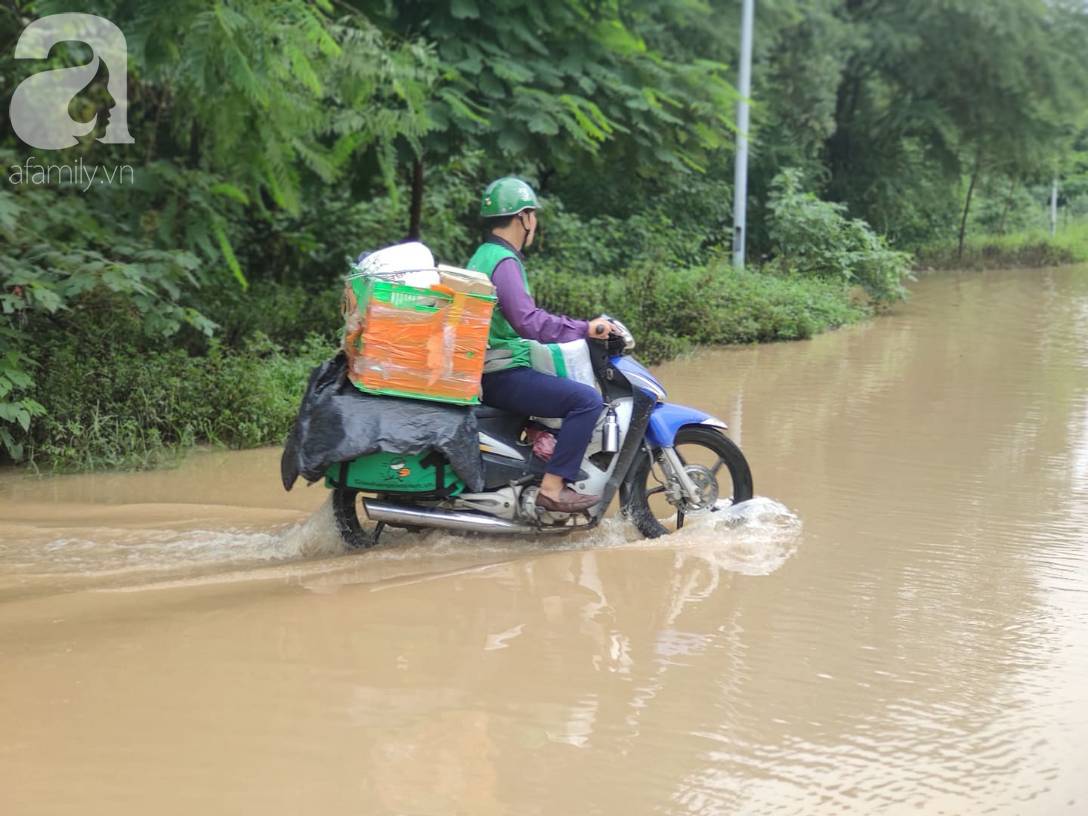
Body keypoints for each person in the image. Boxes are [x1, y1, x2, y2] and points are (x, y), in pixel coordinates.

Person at [466, 177, 615, 514]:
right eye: (533, 216)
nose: (534, 223)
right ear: (524, 217)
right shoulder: (504, 263)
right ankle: (552, 488)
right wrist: (583, 328)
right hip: (499, 372)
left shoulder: (482, 256)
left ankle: (530, 473)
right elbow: (527, 322)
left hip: (485, 368)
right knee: (586, 400)